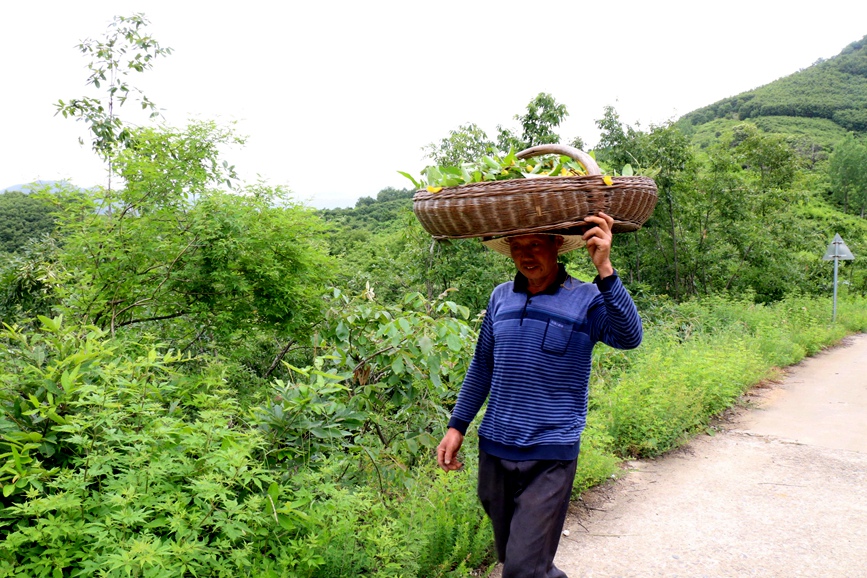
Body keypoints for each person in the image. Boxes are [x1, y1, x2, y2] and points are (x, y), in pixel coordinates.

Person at [436, 212, 643, 578]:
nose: (526, 254)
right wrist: (457, 426)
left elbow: (629, 337)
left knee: (522, 567)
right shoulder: (501, 297)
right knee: (517, 558)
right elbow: (482, 366)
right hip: (496, 449)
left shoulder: (587, 299)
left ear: (557, 246)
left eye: (535, 244)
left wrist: (605, 268)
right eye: (517, 247)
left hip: (550, 452)